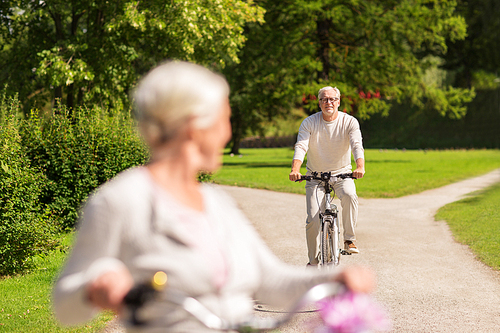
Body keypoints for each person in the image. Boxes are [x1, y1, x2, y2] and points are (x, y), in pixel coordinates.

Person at [52, 62, 374, 332]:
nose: (228, 133)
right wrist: (98, 286)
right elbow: (65, 306)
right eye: (224, 120)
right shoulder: (122, 200)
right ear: (193, 126)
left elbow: (271, 281)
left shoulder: (218, 204)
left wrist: (338, 278)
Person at [289, 86, 365, 265]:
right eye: (324, 99)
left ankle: (349, 239)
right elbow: (301, 147)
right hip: (315, 176)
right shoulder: (309, 122)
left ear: (338, 102)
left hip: (343, 174)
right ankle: (313, 262)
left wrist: (360, 166)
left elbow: (356, 145)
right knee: (313, 219)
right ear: (319, 103)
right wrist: (295, 169)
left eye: (332, 99)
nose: (328, 102)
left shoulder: (349, 122)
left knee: (349, 195)